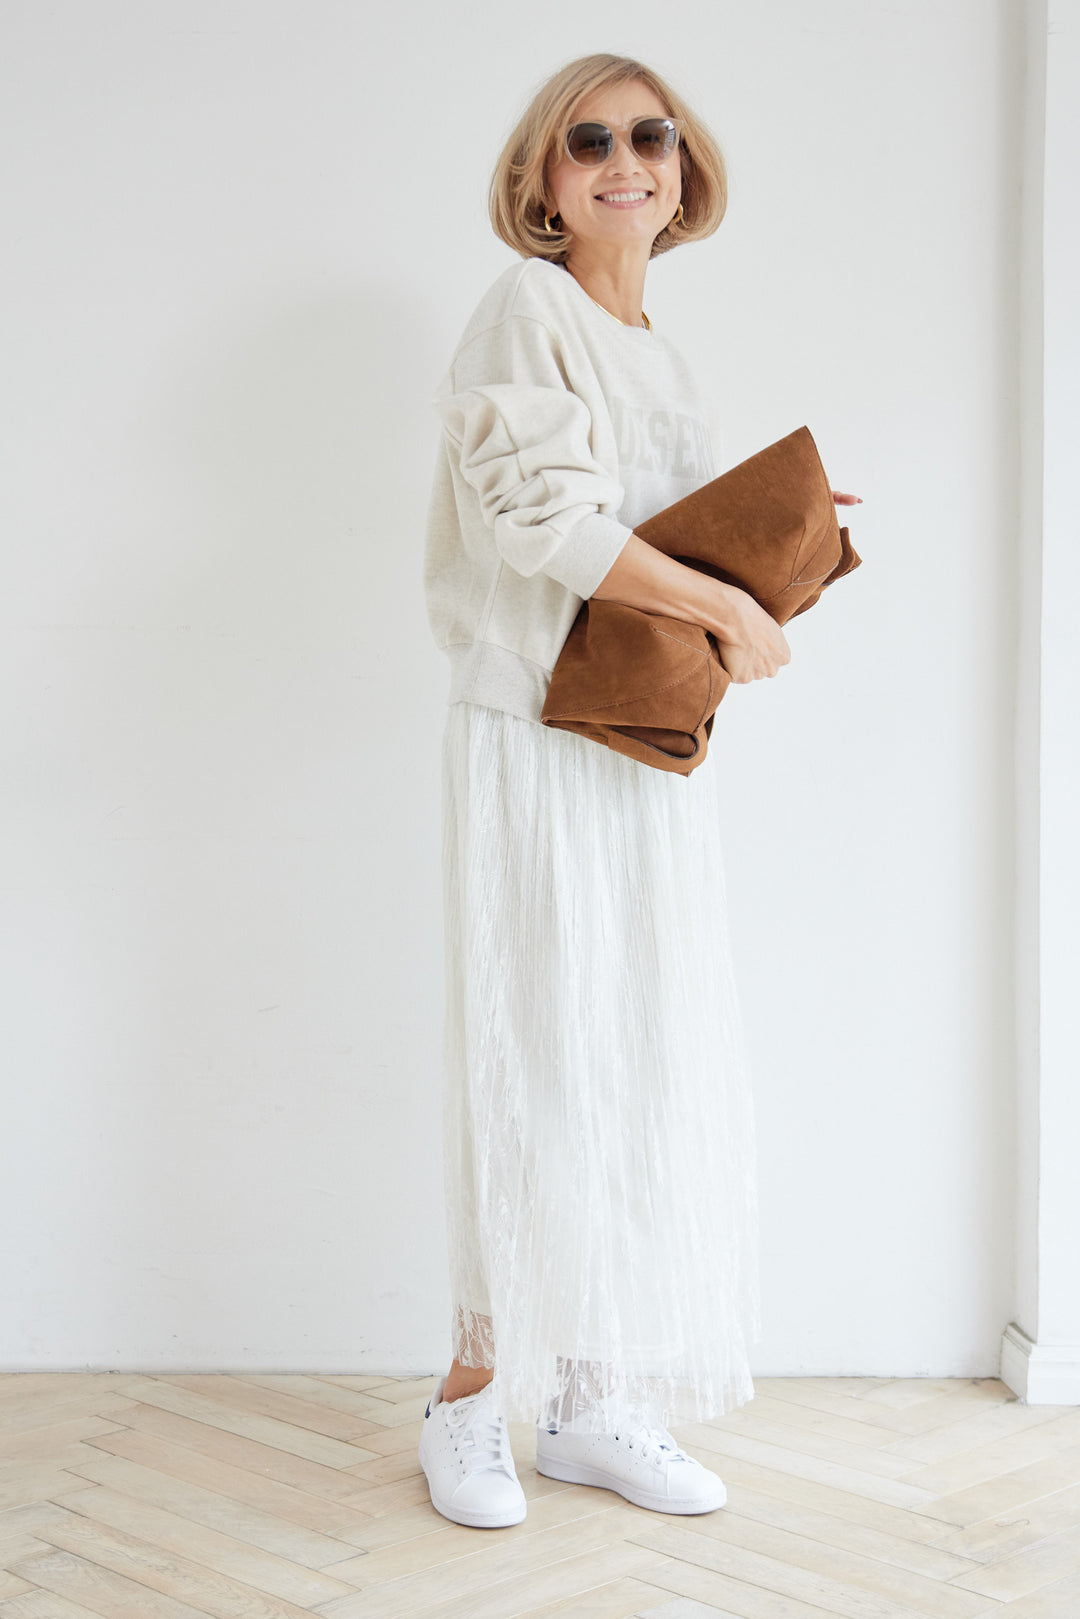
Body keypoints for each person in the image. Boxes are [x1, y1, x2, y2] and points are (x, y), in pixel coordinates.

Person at [418, 52, 861, 1531]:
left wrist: (775, 535)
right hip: (536, 727)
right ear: (542, 180)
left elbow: (643, 532)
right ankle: (472, 1394)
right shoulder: (525, 307)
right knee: (531, 1048)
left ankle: (590, 1399)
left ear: (684, 169)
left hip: (641, 737)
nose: (626, 160)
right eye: (589, 140)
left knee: (629, 1051)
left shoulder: (658, 348)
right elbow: (542, 523)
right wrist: (728, 604)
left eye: (650, 137)